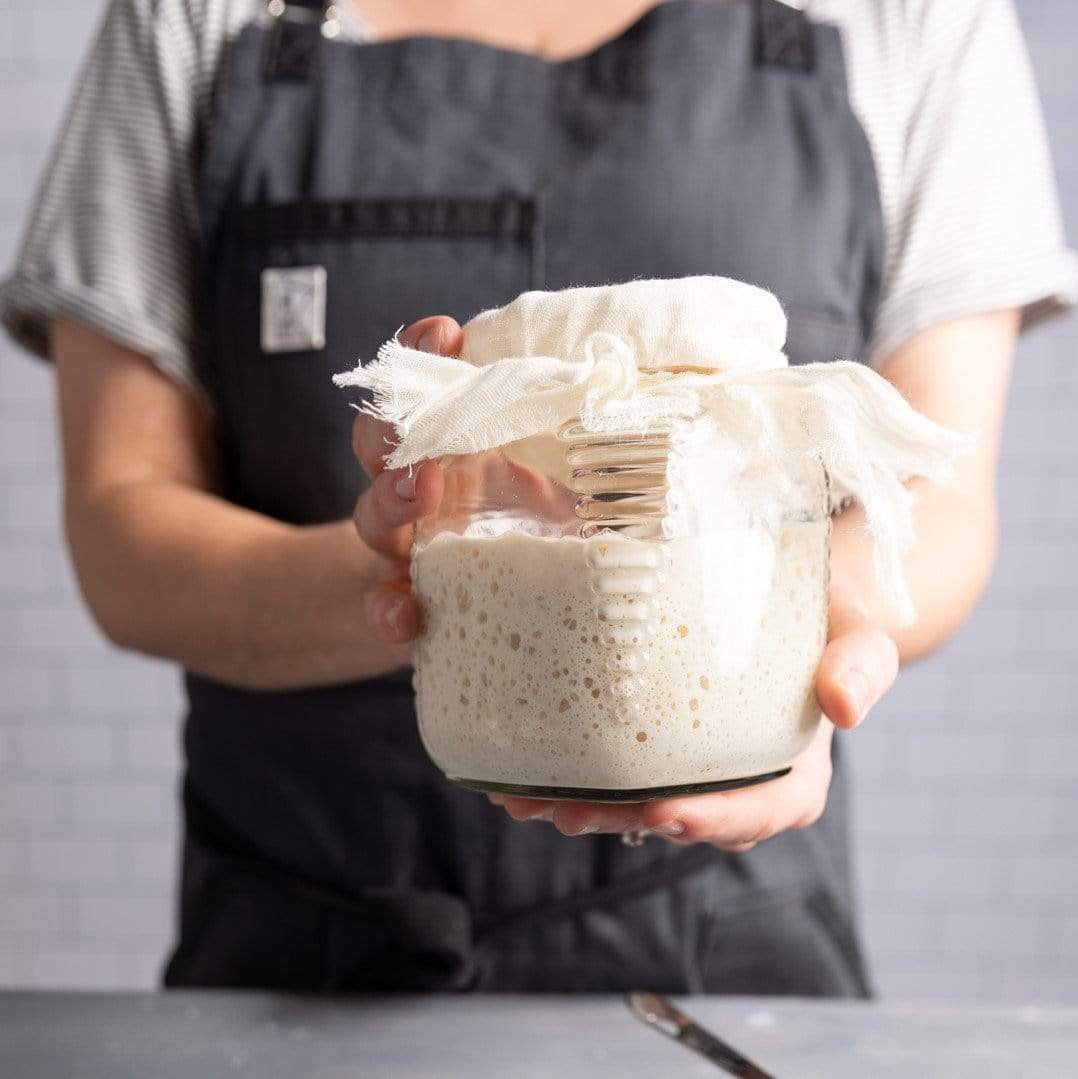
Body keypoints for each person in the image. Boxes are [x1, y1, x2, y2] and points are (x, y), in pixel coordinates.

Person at [1, 0, 1074, 994]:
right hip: (301, 934)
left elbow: (938, 502)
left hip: (728, 951)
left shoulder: (910, 17)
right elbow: (121, 528)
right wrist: (413, 570)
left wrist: (776, 643)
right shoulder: (192, 16)